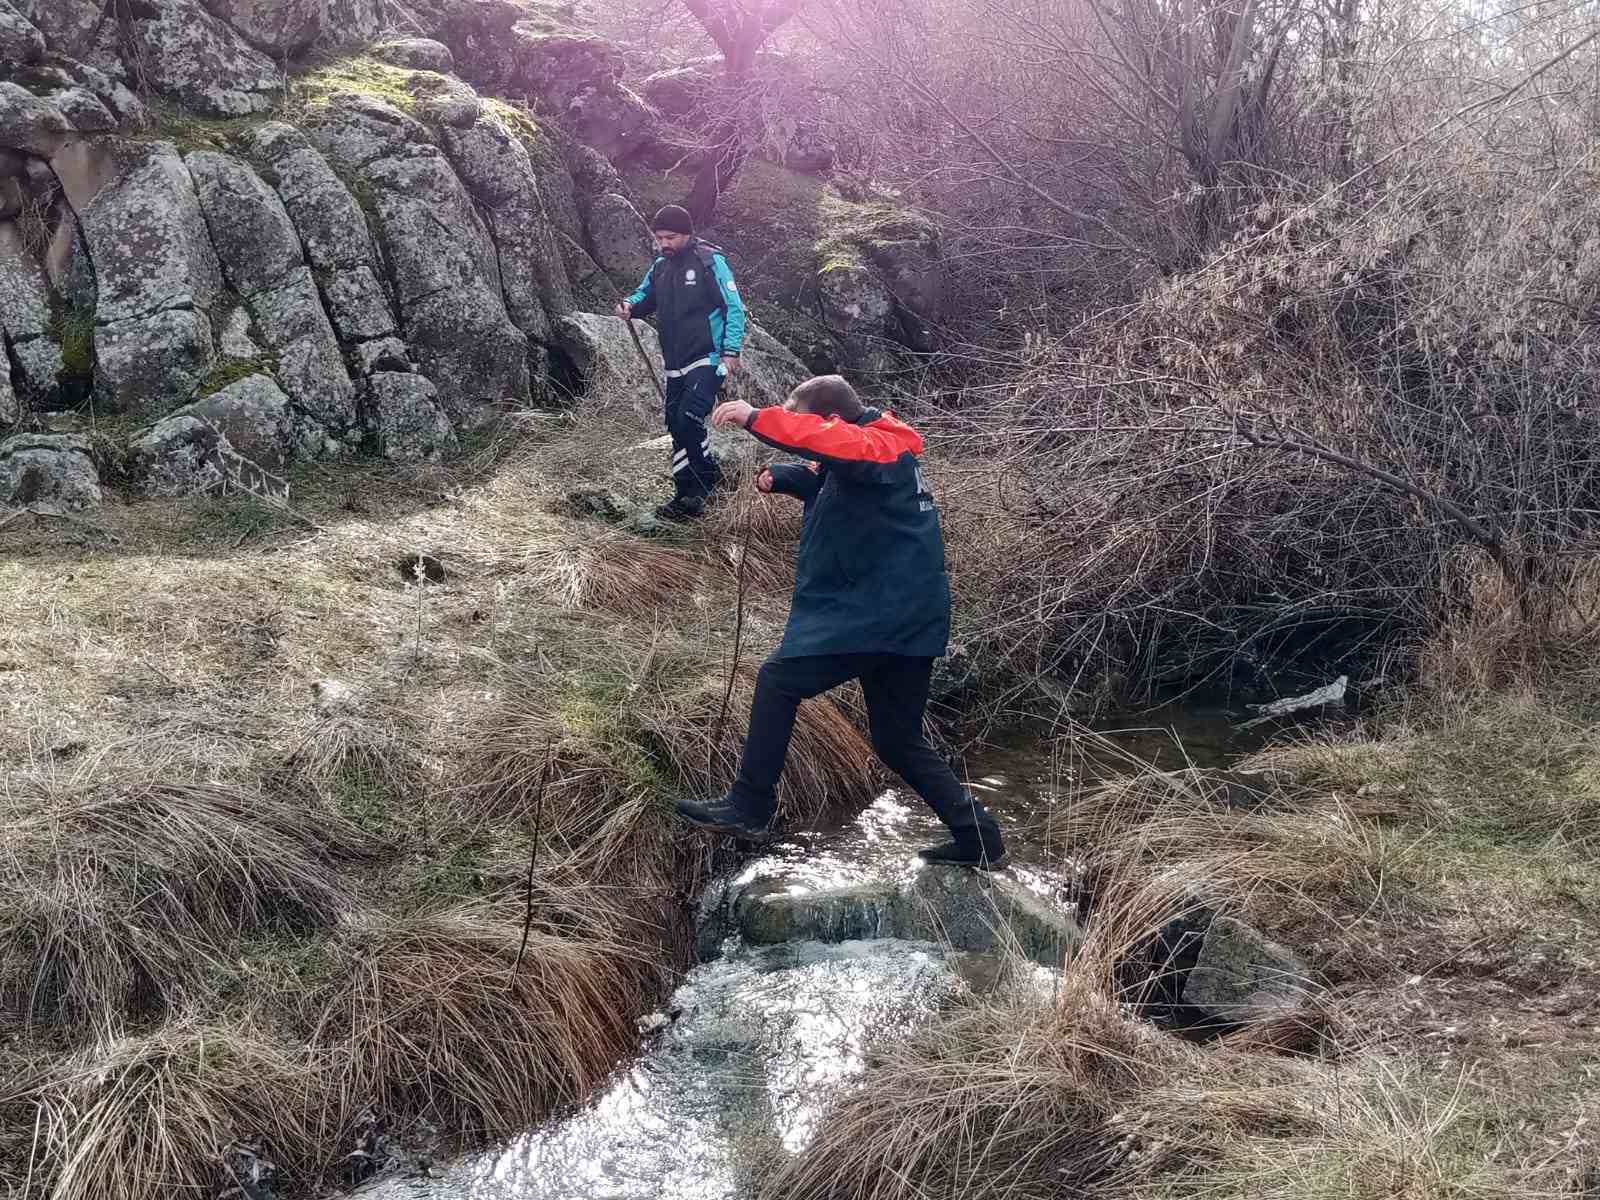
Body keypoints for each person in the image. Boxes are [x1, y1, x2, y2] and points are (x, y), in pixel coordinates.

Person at [673, 375, 1008, 869]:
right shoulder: (876, 452)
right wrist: (786, 478)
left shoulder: (880, 447)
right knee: (897, 741)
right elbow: (836, 476)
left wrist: (755, 418)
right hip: (904, 619)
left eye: (806, 422)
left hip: (879, 616)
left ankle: (750, 805)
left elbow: (840, 450)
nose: (807, 433)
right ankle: (978, 835)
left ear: (830, 420)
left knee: (779, 681)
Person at [614, 205, 746, 521]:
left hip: (708, 359)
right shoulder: (661, 266)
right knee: (675, 425)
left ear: (686, 233)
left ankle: (701, 491)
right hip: (675, 363)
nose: (664, 243)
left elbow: (734, 307)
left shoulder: (709, 261)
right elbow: (644, 297)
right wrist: (629, 306)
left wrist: (731, 351)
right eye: (659, 237)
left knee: (688, 419)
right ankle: (685, 492)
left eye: (670, 237)